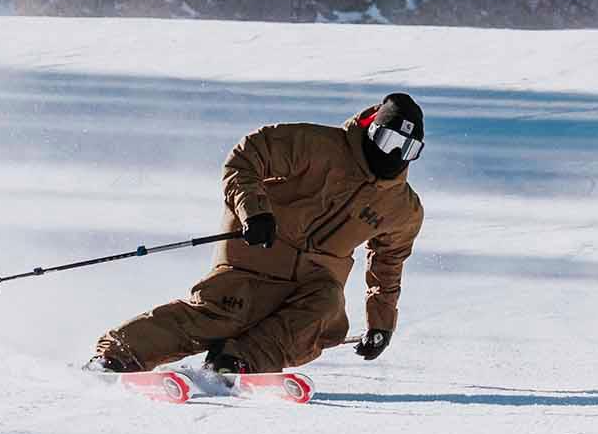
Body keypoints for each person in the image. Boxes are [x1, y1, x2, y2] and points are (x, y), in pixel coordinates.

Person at [88, 94, 426, 375]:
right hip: (256, 255)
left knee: (326, 311)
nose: (395, 155)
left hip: (313, 282)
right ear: (371, 130)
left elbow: (388, 264)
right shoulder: (317, 146)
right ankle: (118, 354)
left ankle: (236, 363)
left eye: (408, 149)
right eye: (389, 140)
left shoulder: (402, 208)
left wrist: (381, 323)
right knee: (220, 316)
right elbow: (247, 156)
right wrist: (254, 211)